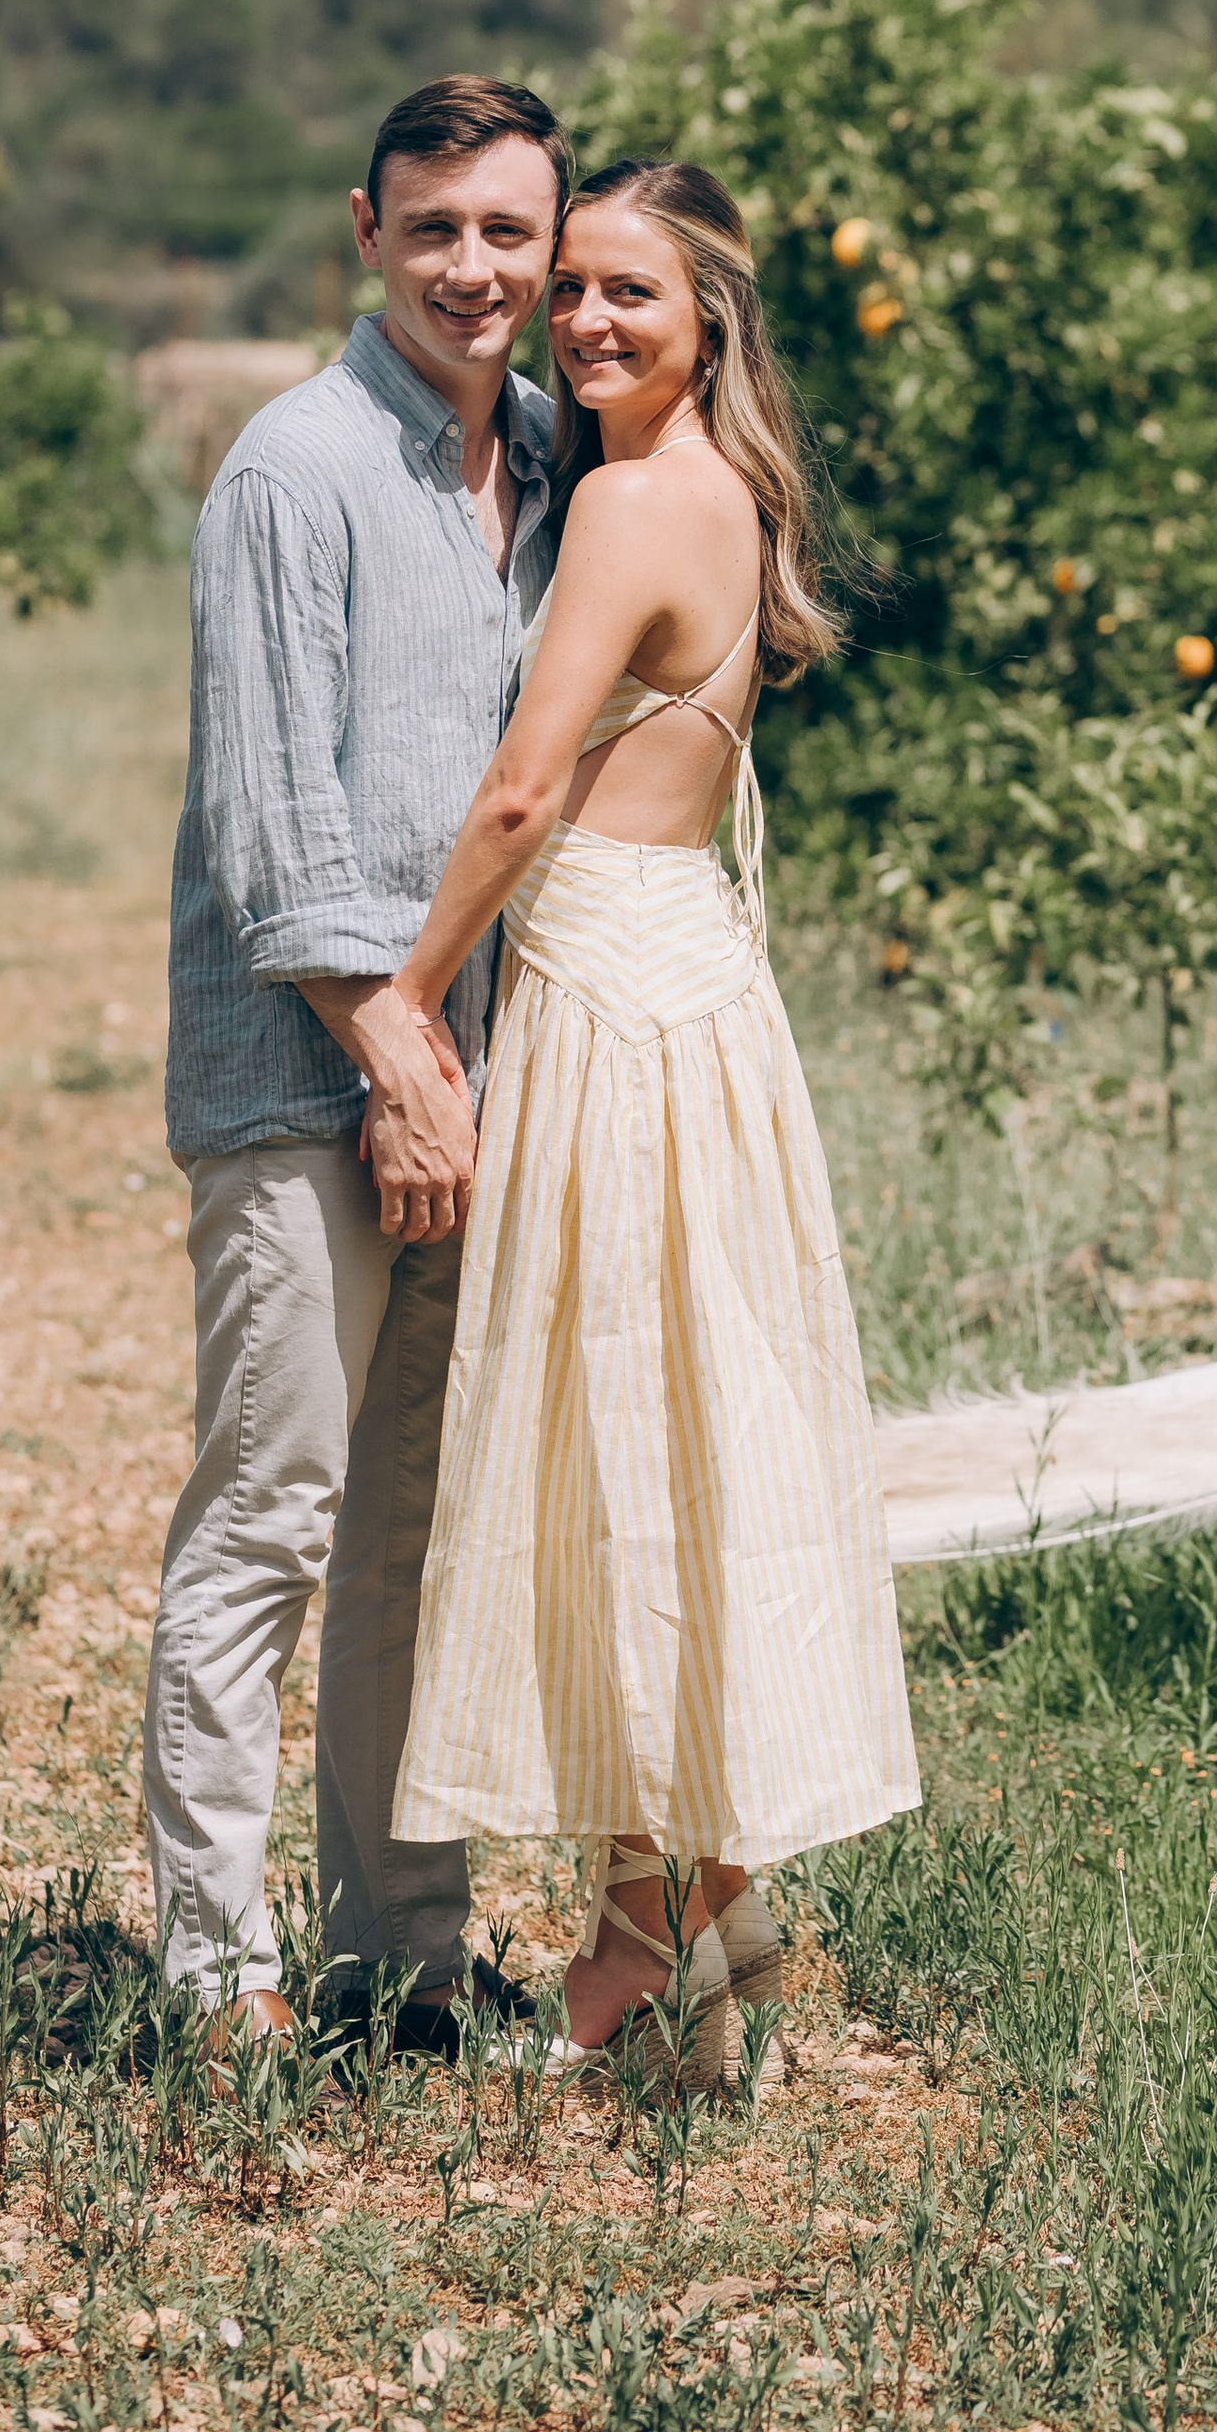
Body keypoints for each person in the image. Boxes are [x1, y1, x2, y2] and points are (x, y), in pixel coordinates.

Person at [387, 157, 919, 2086]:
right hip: (699, 979)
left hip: (613, 994)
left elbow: (528, 792)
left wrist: (402, 993)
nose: (589, 322)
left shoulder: (621, 501)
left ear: (709, 321)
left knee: (616, 1445)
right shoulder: (730, 493)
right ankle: (696, 1889)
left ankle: (651, 1922)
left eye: (635, 295)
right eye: (576, 291)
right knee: (682, 1440)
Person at [146, 76, 567, 2049]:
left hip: (468, 1078)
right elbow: (266, 823)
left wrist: (459, 1074)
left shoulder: (543, 467)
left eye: (506, 230)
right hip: (312, 1074)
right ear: (362, 229)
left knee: (411, 1525)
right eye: (433, 230)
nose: (471, 268)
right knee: (275, 1505)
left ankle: (398, 1951)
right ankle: (213, 1971)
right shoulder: (293, 471)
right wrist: (398, 1064)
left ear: (550, 243)